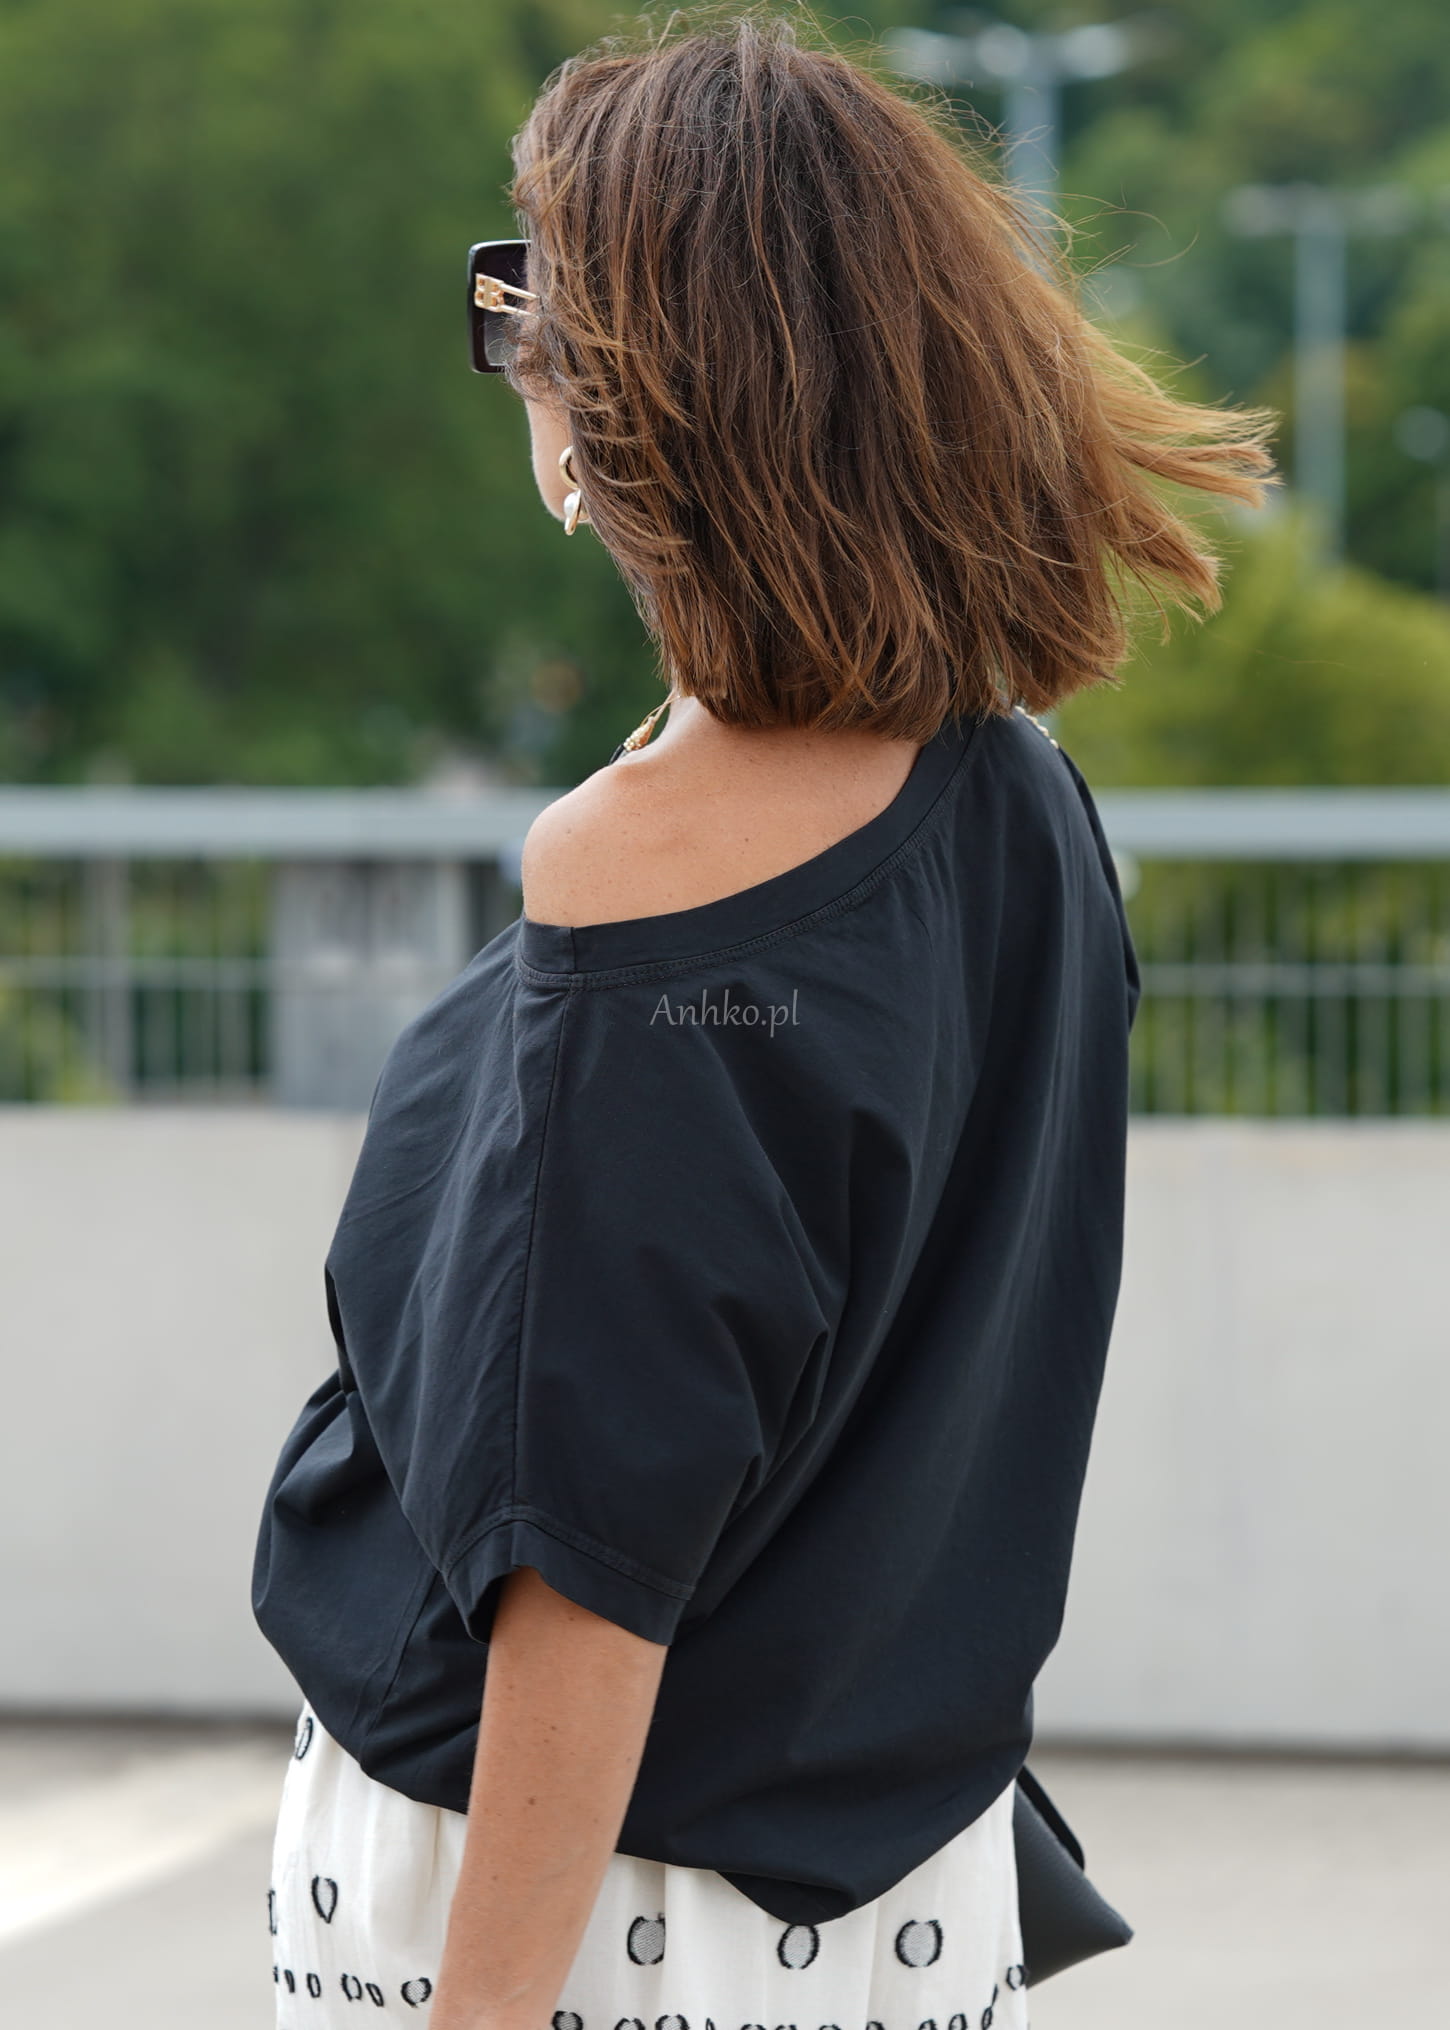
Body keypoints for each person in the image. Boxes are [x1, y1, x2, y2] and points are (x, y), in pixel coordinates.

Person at [252, 10, 1279, 2027]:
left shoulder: (642, 872)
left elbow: (584, 1566)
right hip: (898, 1890)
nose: (510, 350)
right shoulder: (1015, 801)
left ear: (638, 394)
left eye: (528, 302)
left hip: (591, 1907)